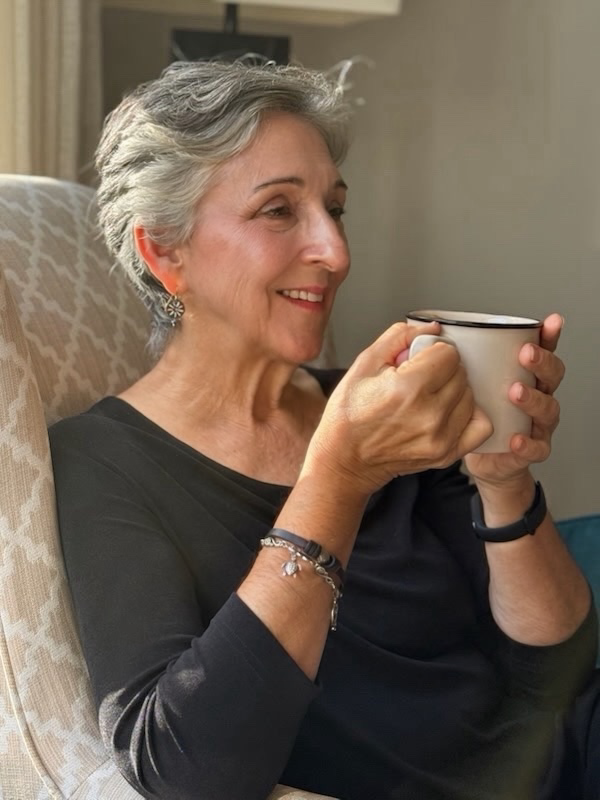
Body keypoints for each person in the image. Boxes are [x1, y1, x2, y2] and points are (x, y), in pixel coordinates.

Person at [49, 59, 598, 800]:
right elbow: (184, 772)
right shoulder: (103, 465)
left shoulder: (376, 406)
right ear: (165, 252)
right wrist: (337, 479)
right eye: (279, 211)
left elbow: (556, 671)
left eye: (334, 209)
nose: (335, 254)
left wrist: (502, 477)